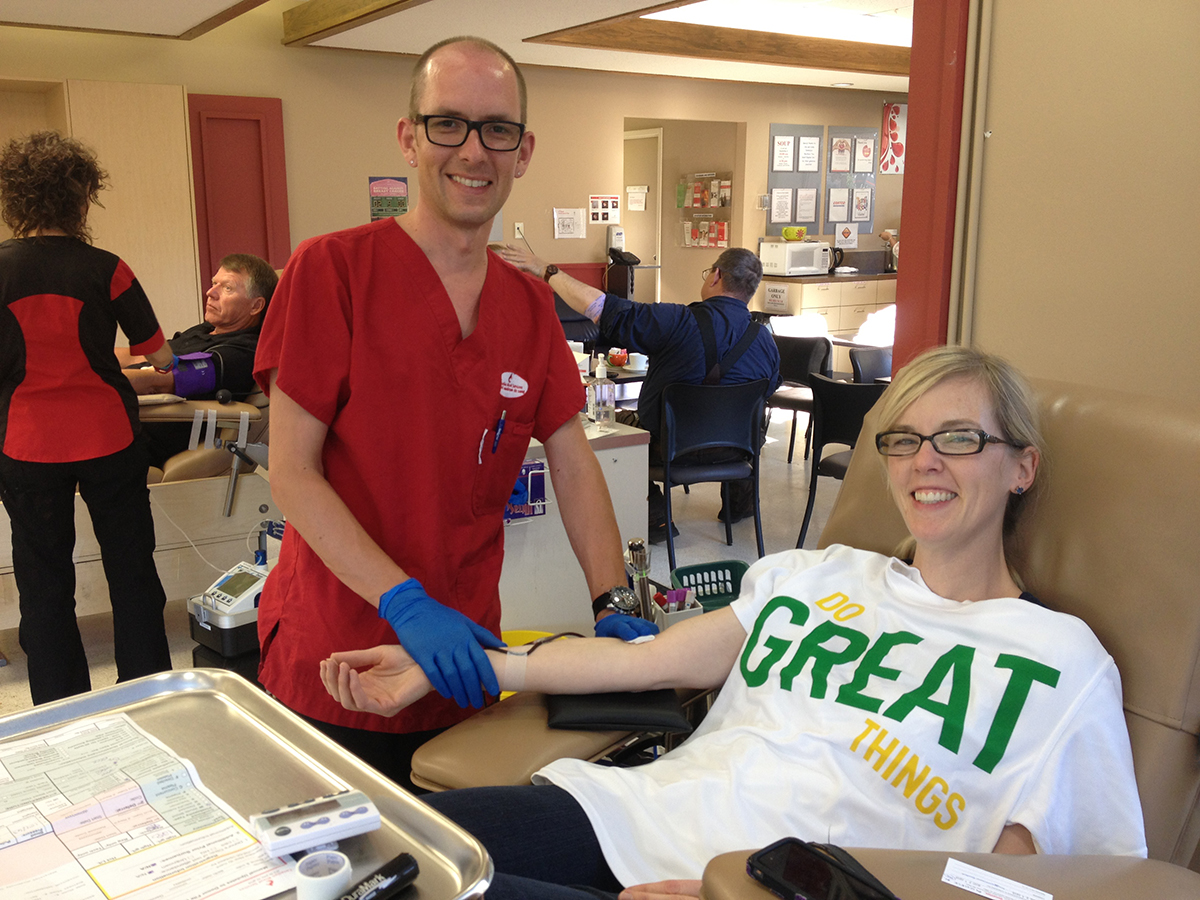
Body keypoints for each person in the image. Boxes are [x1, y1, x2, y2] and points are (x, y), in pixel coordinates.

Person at [322, 345, 1147, 899]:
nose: (925, 462)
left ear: (1023, 466)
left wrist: (749, 892)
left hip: (769, 886)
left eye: (960, 439)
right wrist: (467, 665)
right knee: (348, 856)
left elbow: (1030, 884)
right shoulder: (821, 575)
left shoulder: (1061, 662)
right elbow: (649, 663)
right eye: (903, 440)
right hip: (634, 815)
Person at [253, 36, 648, 792]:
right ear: (409, 137)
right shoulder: (331, 271)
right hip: (341, 655)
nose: (474, 150)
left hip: (465, 656)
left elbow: (572, 460)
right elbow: (293, 474)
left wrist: (614, 604)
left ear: (523, 150)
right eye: (448, 125)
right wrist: (403, 601)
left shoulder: (530, 307)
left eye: (497, 129)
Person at [0, 131, 175, 705]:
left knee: (43, 581)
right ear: (83, 198)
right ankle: (147, 690)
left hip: (26, 446)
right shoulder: (109, 268)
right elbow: (161, 356)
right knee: (131, 570)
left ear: (17, 200)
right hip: (110, 438)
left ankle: (59, 704)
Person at [496, 244, 781, 541]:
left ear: (715, 276)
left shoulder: (678, 323)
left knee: (608, 434)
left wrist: (547, 270)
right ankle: (740, 504)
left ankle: (656, 519)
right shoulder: (766, 342)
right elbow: (766, 392)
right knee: (747, 418)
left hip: (669, 448)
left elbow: (602, 308)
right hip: (737, 451)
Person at [120, 254, 278, 467]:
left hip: (145, 439)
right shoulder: (206, 330)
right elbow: (137, 357)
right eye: (214, 283)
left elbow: (158, 379)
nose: (210, 293)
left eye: (227, 288)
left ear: (255, 306)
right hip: (125, 420)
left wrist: (89, 381)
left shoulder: (241, 351)